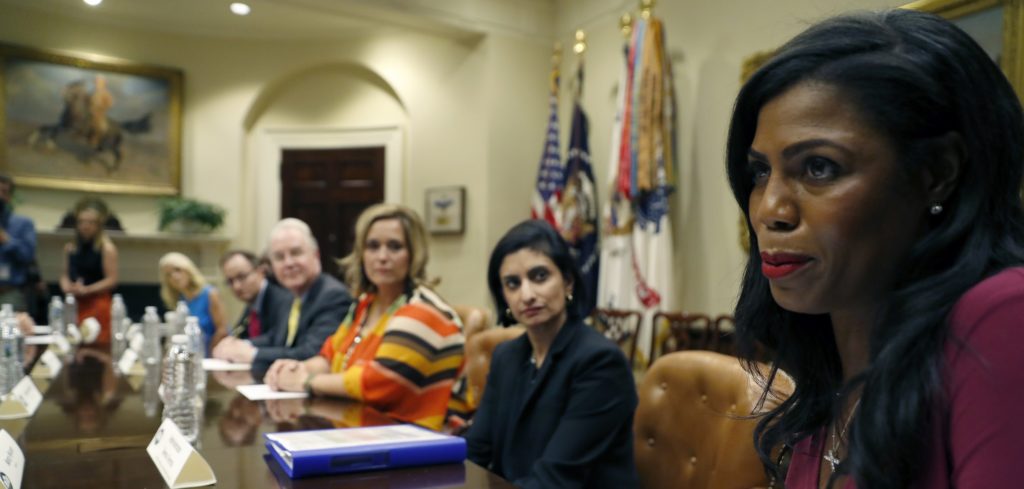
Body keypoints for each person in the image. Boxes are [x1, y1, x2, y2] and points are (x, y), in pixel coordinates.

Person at [726, 9, 1024, 489]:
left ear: (937, 173)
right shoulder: (828, 376)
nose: (770, 210)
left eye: (818, 167)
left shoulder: (1004, 316)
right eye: (761, 172)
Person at [465, 220, 638, 488]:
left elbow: (556, 479)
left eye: (539, 276)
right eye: (512, 283)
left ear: (568, 282)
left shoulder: (600, 362)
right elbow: (475, 451)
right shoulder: (506, 357)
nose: (527, 294)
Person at [263, 204, 464, 432]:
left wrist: (305, 381)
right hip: (363, 429)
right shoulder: (365, 304)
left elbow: (376, 384)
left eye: (395, 246)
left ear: (414, 253)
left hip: (417, 439)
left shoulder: (423, 310)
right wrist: (294, 368)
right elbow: (329, 357)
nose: (382, 257)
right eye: (372, 246)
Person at [214, 218, 352, 372]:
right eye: (279, 257)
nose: (288, 263)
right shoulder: (293, 294)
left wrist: (253, 354)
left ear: (316, 255)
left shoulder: (332, 296)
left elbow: (312, 354)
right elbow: (276, 338)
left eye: (296, 253)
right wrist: (241, 345)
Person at [59, 197, 119, 345]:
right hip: (75, 302)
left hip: (98, 302)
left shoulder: (106, 248)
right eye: (81, 222)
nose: (85, 226)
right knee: (73, 342)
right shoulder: (70, 247)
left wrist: (87, 289)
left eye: (91, 222)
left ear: (98, 226)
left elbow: (112, 279)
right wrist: (66, 286)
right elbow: (64, 275)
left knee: (97, 343)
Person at [158, 252, 228, 355]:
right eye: (168, 274)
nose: (174, 276)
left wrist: (208, 355)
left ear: (188, 270)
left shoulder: (210, 294)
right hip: (191, 355)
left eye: (177, 270)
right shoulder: (181, 300)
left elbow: (222, 330)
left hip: (214, 353)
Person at [219, 249, 289, 339]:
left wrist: (242, 345)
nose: (236, 287)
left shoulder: (282, 301)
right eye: (230, 281)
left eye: (242, 277)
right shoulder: (252, 305)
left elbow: (276, 341)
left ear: (261, 272)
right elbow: (238, 335)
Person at [0, 174, 36, 312]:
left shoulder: (23, 224)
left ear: (9, 197)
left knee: (11, 332)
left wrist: (7, 240)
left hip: (9, 293)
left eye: (3, 191)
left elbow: (28, 256)